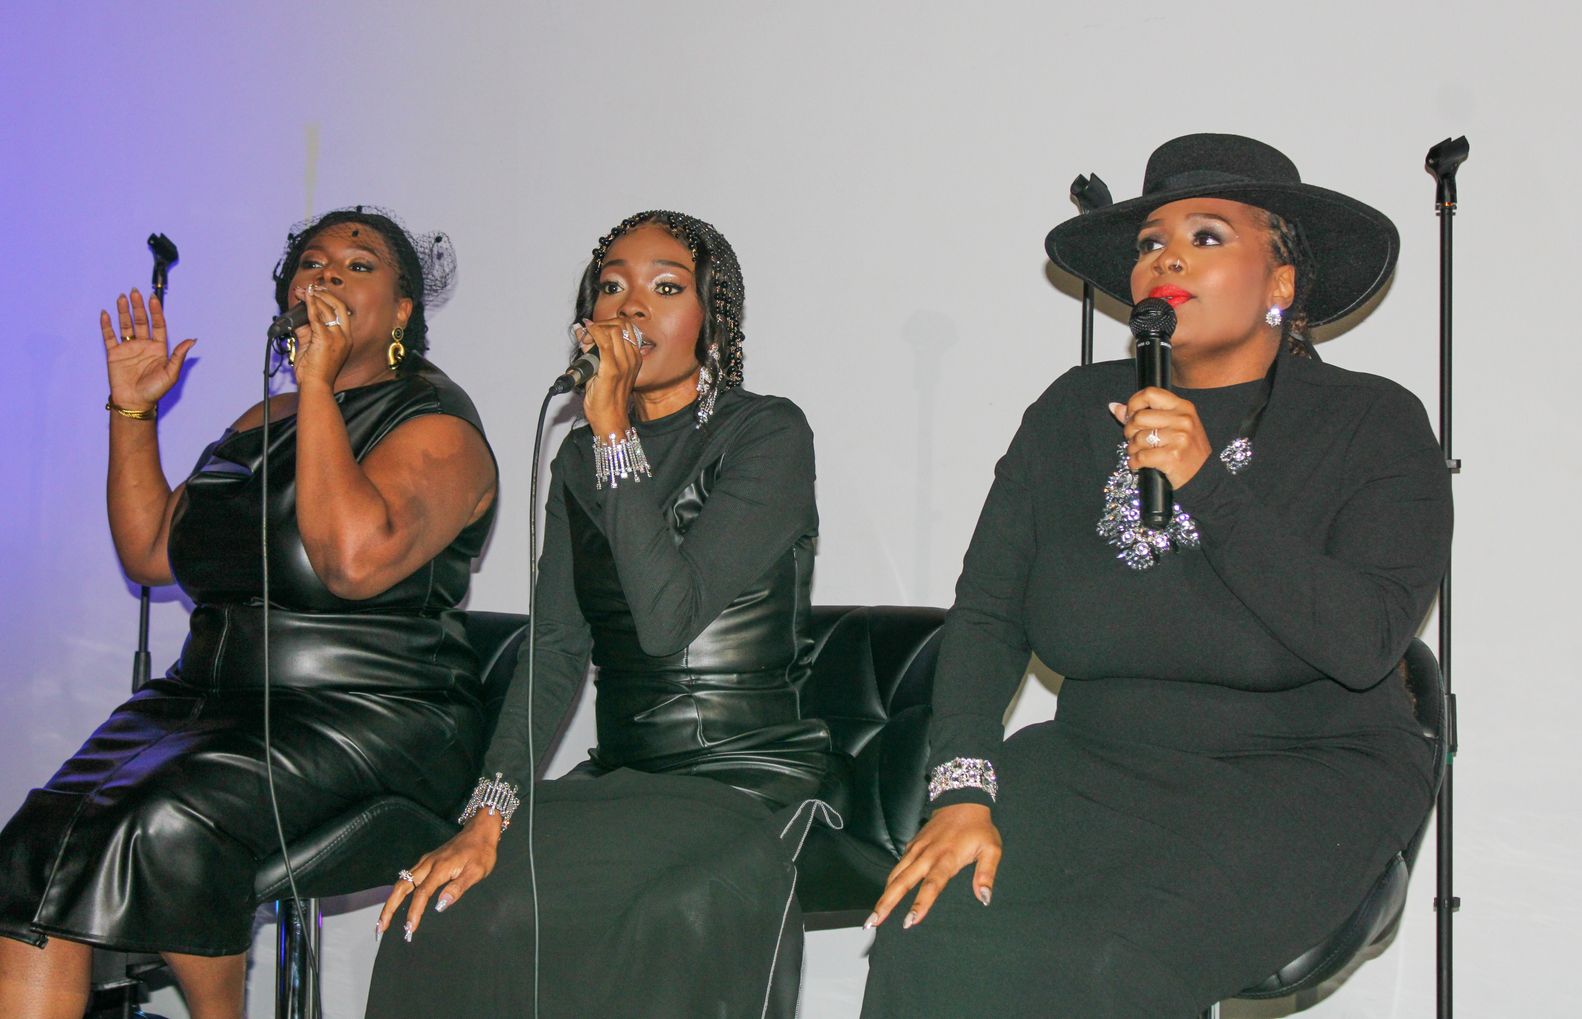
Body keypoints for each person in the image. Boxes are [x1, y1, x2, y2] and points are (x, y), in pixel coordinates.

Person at [861, 134, 1452, 1017]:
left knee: (1110, 964)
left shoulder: (1373, 423)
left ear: (1282, 284)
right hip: (1093, 760)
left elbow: (1366, 639)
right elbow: (986, 615)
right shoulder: (1071, 411)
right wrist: (964, 788)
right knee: (925, 935)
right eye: (1149, 243)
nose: (1165, 257)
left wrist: (1205, 482)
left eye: (1207, 236)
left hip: (1301, 771)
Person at [0, 208, 498, 1019]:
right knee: (42, 834)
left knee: (167, 817)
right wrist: (132, 411)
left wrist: (317, 387)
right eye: (312, 262)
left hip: (370, 712)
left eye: (359, 264)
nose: (327, 273)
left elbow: (351, 560)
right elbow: (152, 551)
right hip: (205, 702)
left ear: (402, 310)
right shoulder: (258, 421)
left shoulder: (436, 421)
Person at [367, 211, 841, 1018]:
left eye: (666, 287)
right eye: (611, 286)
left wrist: (614, 429)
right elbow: (555, 647)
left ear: (714, 320)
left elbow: (667, 620)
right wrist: (488, 811)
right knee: (445, 907)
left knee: (651, 918)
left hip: (744, 776)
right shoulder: (578, 459)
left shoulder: (767, 434)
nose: (632, 306)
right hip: (626, 778)